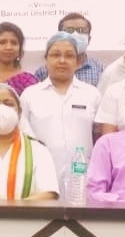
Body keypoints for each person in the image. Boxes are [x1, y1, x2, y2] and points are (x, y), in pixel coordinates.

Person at [20, 32, 100, 197]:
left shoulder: (92, 94)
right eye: (56, 55)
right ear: (46, 59)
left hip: (83, 178)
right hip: (40, 179)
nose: (62, 61)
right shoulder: (30, 95)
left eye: (69, 56)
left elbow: (99, 137)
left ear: (77, 61)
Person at [34, 13, 104, 86]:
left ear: (89, 39)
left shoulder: (100, 70)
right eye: (69, 30)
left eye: (81, 30)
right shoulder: (43, 72)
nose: (75, 35)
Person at [0, 22, 40, 94]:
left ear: (20, 49)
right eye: (2, 42)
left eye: (14, 43)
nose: (8, 47)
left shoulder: (27, 80)